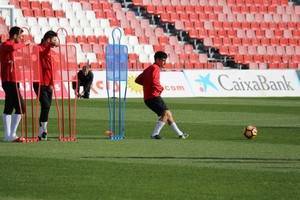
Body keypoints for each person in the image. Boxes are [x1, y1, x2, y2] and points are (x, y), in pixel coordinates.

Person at [135, 51, 188, 139]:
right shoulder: (155, 68)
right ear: (157, 60)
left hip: (149, 98)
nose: (165, 62)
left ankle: (180, 134)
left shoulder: (149, 68)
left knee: (168, 114)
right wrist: (160, 89)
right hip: (153, 96)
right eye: (163, 60)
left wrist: (147, 86)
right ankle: (154, 134)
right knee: (165, 114)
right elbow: (155, 81)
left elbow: (137, 80)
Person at [0, 26, 29, 142]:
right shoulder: (6, 44)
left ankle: (9, 135)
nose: (22, 38)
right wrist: (24, 44)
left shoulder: (12, 46)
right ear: (15, 36)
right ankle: (11, 135)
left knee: (9, 107)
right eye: (20, 36)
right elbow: (12, 47)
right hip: (9, 80)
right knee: (21, 107)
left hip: (13, 80)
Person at [33, 30, 59, 141]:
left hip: (48, 83)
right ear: (47, 39)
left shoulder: (51, 51)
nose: (53, 42)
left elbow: (52, 69)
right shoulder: (37, 48)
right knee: (46, 105)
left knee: (46, 108)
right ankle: (43, 130)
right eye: (52, 39)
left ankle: (42, 133)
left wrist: (52, 83)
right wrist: (50, 46)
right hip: (39, 82)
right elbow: (42, 54)